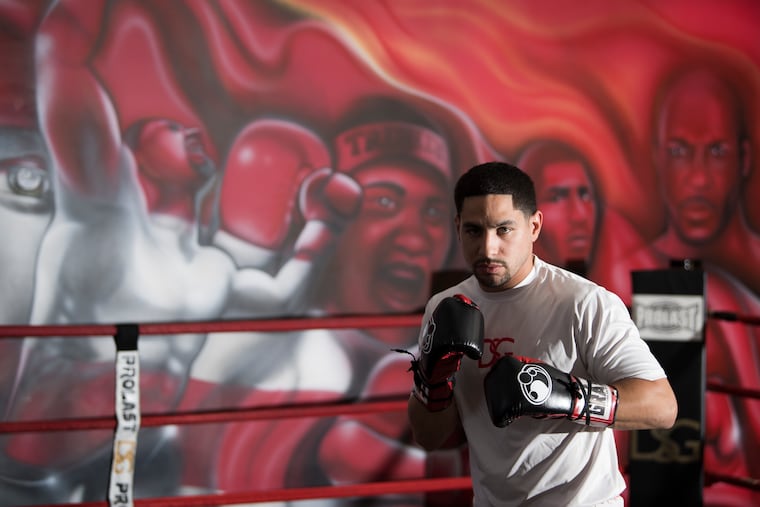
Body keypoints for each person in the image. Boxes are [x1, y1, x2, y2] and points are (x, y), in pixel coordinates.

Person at [407, 161, 678, 505]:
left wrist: (566, 396)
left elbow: (661, 407)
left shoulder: (584, 303)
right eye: (474, 231)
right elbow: (429, 436)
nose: (488, 248)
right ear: (458, 227)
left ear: (534, 226)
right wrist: (432, 381)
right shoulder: (444, 308)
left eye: (504, 230)